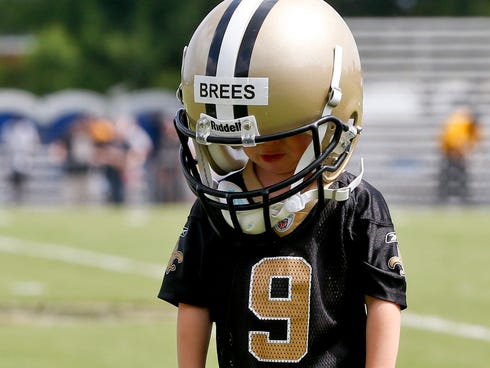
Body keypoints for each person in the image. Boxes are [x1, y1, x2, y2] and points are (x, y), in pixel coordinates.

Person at [158, 0, 407, 367]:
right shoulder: (218, 205)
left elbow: (383, 303)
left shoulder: (356, 204)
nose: (263, 145)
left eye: (281, 131)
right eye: (249, 133)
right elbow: (194, 302)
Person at [438, 106, 482, 204]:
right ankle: (443, 197)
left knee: (461, 176)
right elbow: (453, 141)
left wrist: (469, 152)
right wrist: (464, 153)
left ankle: (463, 197)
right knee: (447, 176)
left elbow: (476, 139)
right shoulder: (460, 122)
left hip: (457, 153)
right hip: (449, 153)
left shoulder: (471, 125)